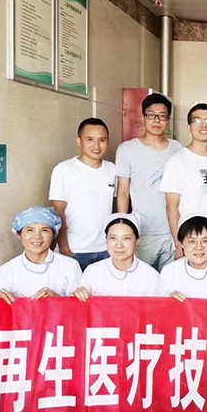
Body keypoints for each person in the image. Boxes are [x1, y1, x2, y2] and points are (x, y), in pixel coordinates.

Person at [115, 93, 183, 271]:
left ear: (168, 120)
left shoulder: (178, 149)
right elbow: (123, 192)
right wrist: (123, 226)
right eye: (151, 115)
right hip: (141, 231)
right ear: (143, 117)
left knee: (169, 283)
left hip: (172, 231)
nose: (156, 120)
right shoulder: (127, 150)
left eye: (162, 116)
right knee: (141, 282)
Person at [49, 117, 116, 272]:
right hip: (75, 249)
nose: (96, 146)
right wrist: (64, 248)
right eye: (90, 140)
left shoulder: (112, 169)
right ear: (79, 141)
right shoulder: (64, 169)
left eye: (102, 140)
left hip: (106, 249)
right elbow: (58, 212)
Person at [160, 103, 207, 258]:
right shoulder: (178, 161)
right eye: (197, 120)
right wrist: (178, 244)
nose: (204, 125)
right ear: (189, 127)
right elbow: (171, 206)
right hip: (190, 242)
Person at [0, 207, 82, 304]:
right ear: (19, 235)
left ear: (53, 235)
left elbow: (80, 307)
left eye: (44, 230)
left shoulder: (70, 266)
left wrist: (57, 299)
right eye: (30, 230)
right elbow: (0, 310)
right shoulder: (6, 271)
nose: (37, 236)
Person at [73, 213, 160, 299]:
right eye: (113, 238)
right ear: (106, 240)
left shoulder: (151, 276)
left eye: (126, 238)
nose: (119, 245)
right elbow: (82, 303)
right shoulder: (92, 271)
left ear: (137, 242)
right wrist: (79, 295)